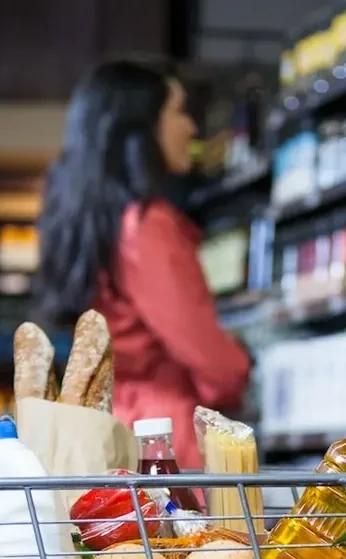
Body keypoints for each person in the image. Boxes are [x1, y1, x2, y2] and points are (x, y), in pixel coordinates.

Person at [34, 58, 251, 473]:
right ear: (138, 129)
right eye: (178, 111)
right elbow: (207, 354)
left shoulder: (91, 223)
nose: (190, 127)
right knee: (181, 537)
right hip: (164, 437)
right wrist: (240, 366)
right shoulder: (146, 226)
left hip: (110, 425)